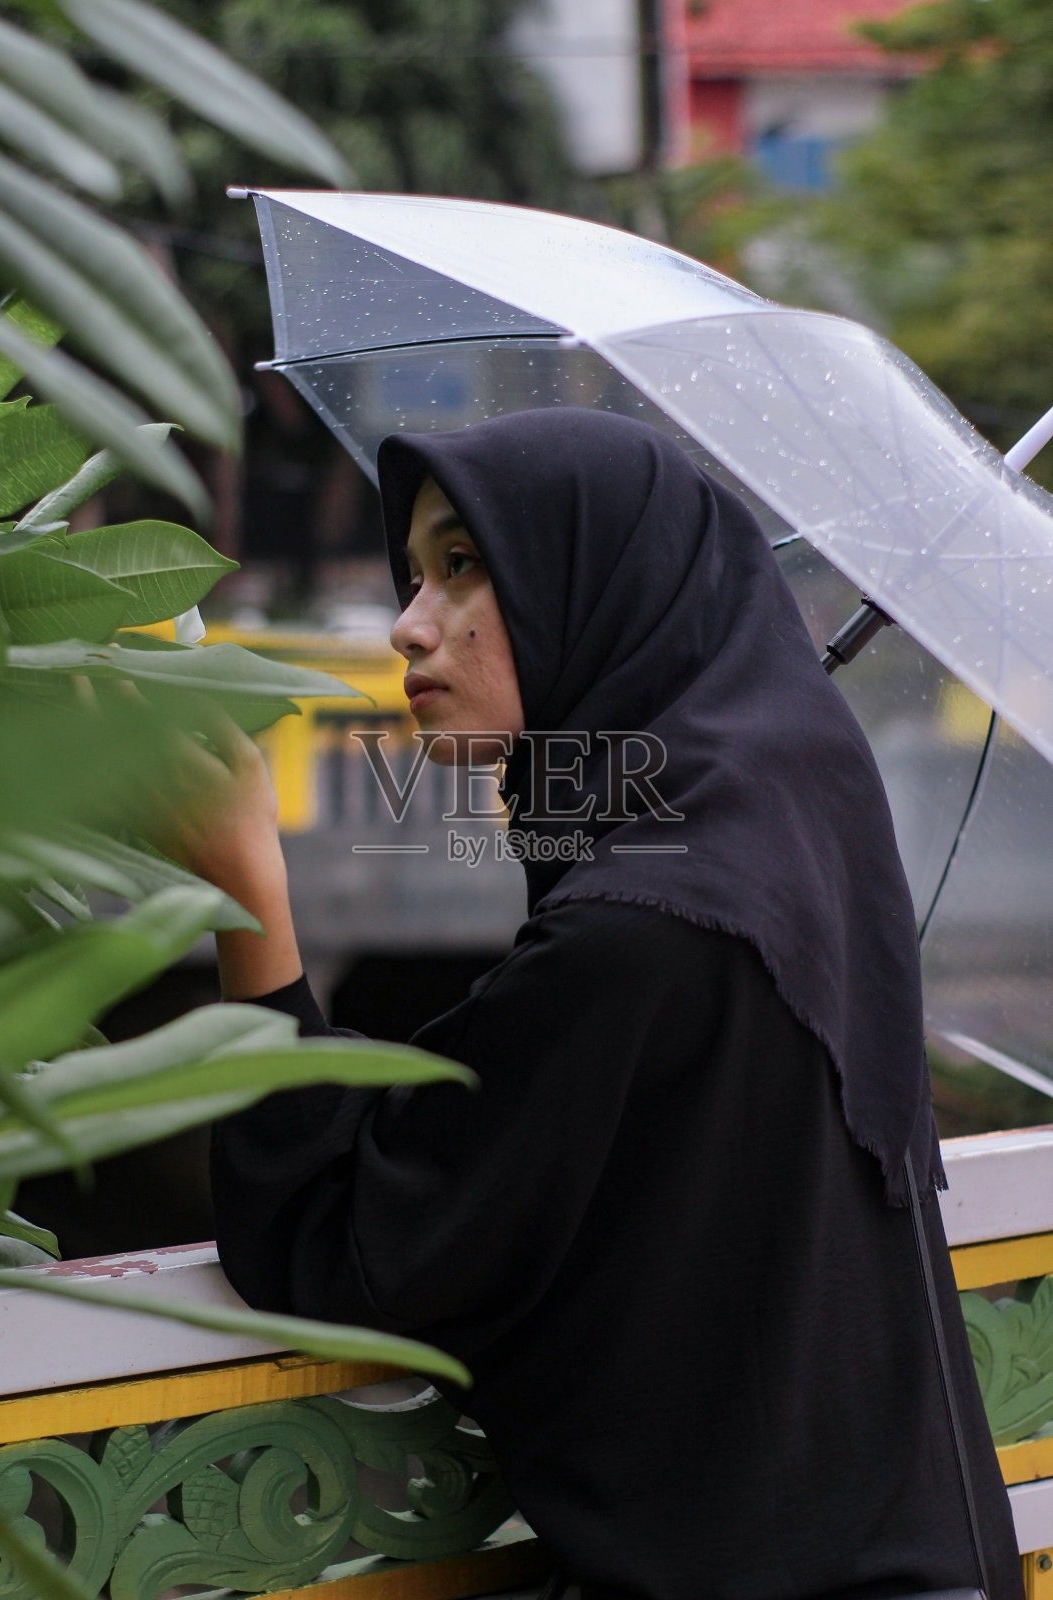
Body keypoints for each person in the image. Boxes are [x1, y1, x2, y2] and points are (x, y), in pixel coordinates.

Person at [197, 409, 1022, 1600]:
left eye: (463, 566)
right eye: (413, 571)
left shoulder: (637, 933)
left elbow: (343, 1239)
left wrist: (244, 892)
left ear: (595, 589)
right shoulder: (793, 816)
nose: (408, 623)